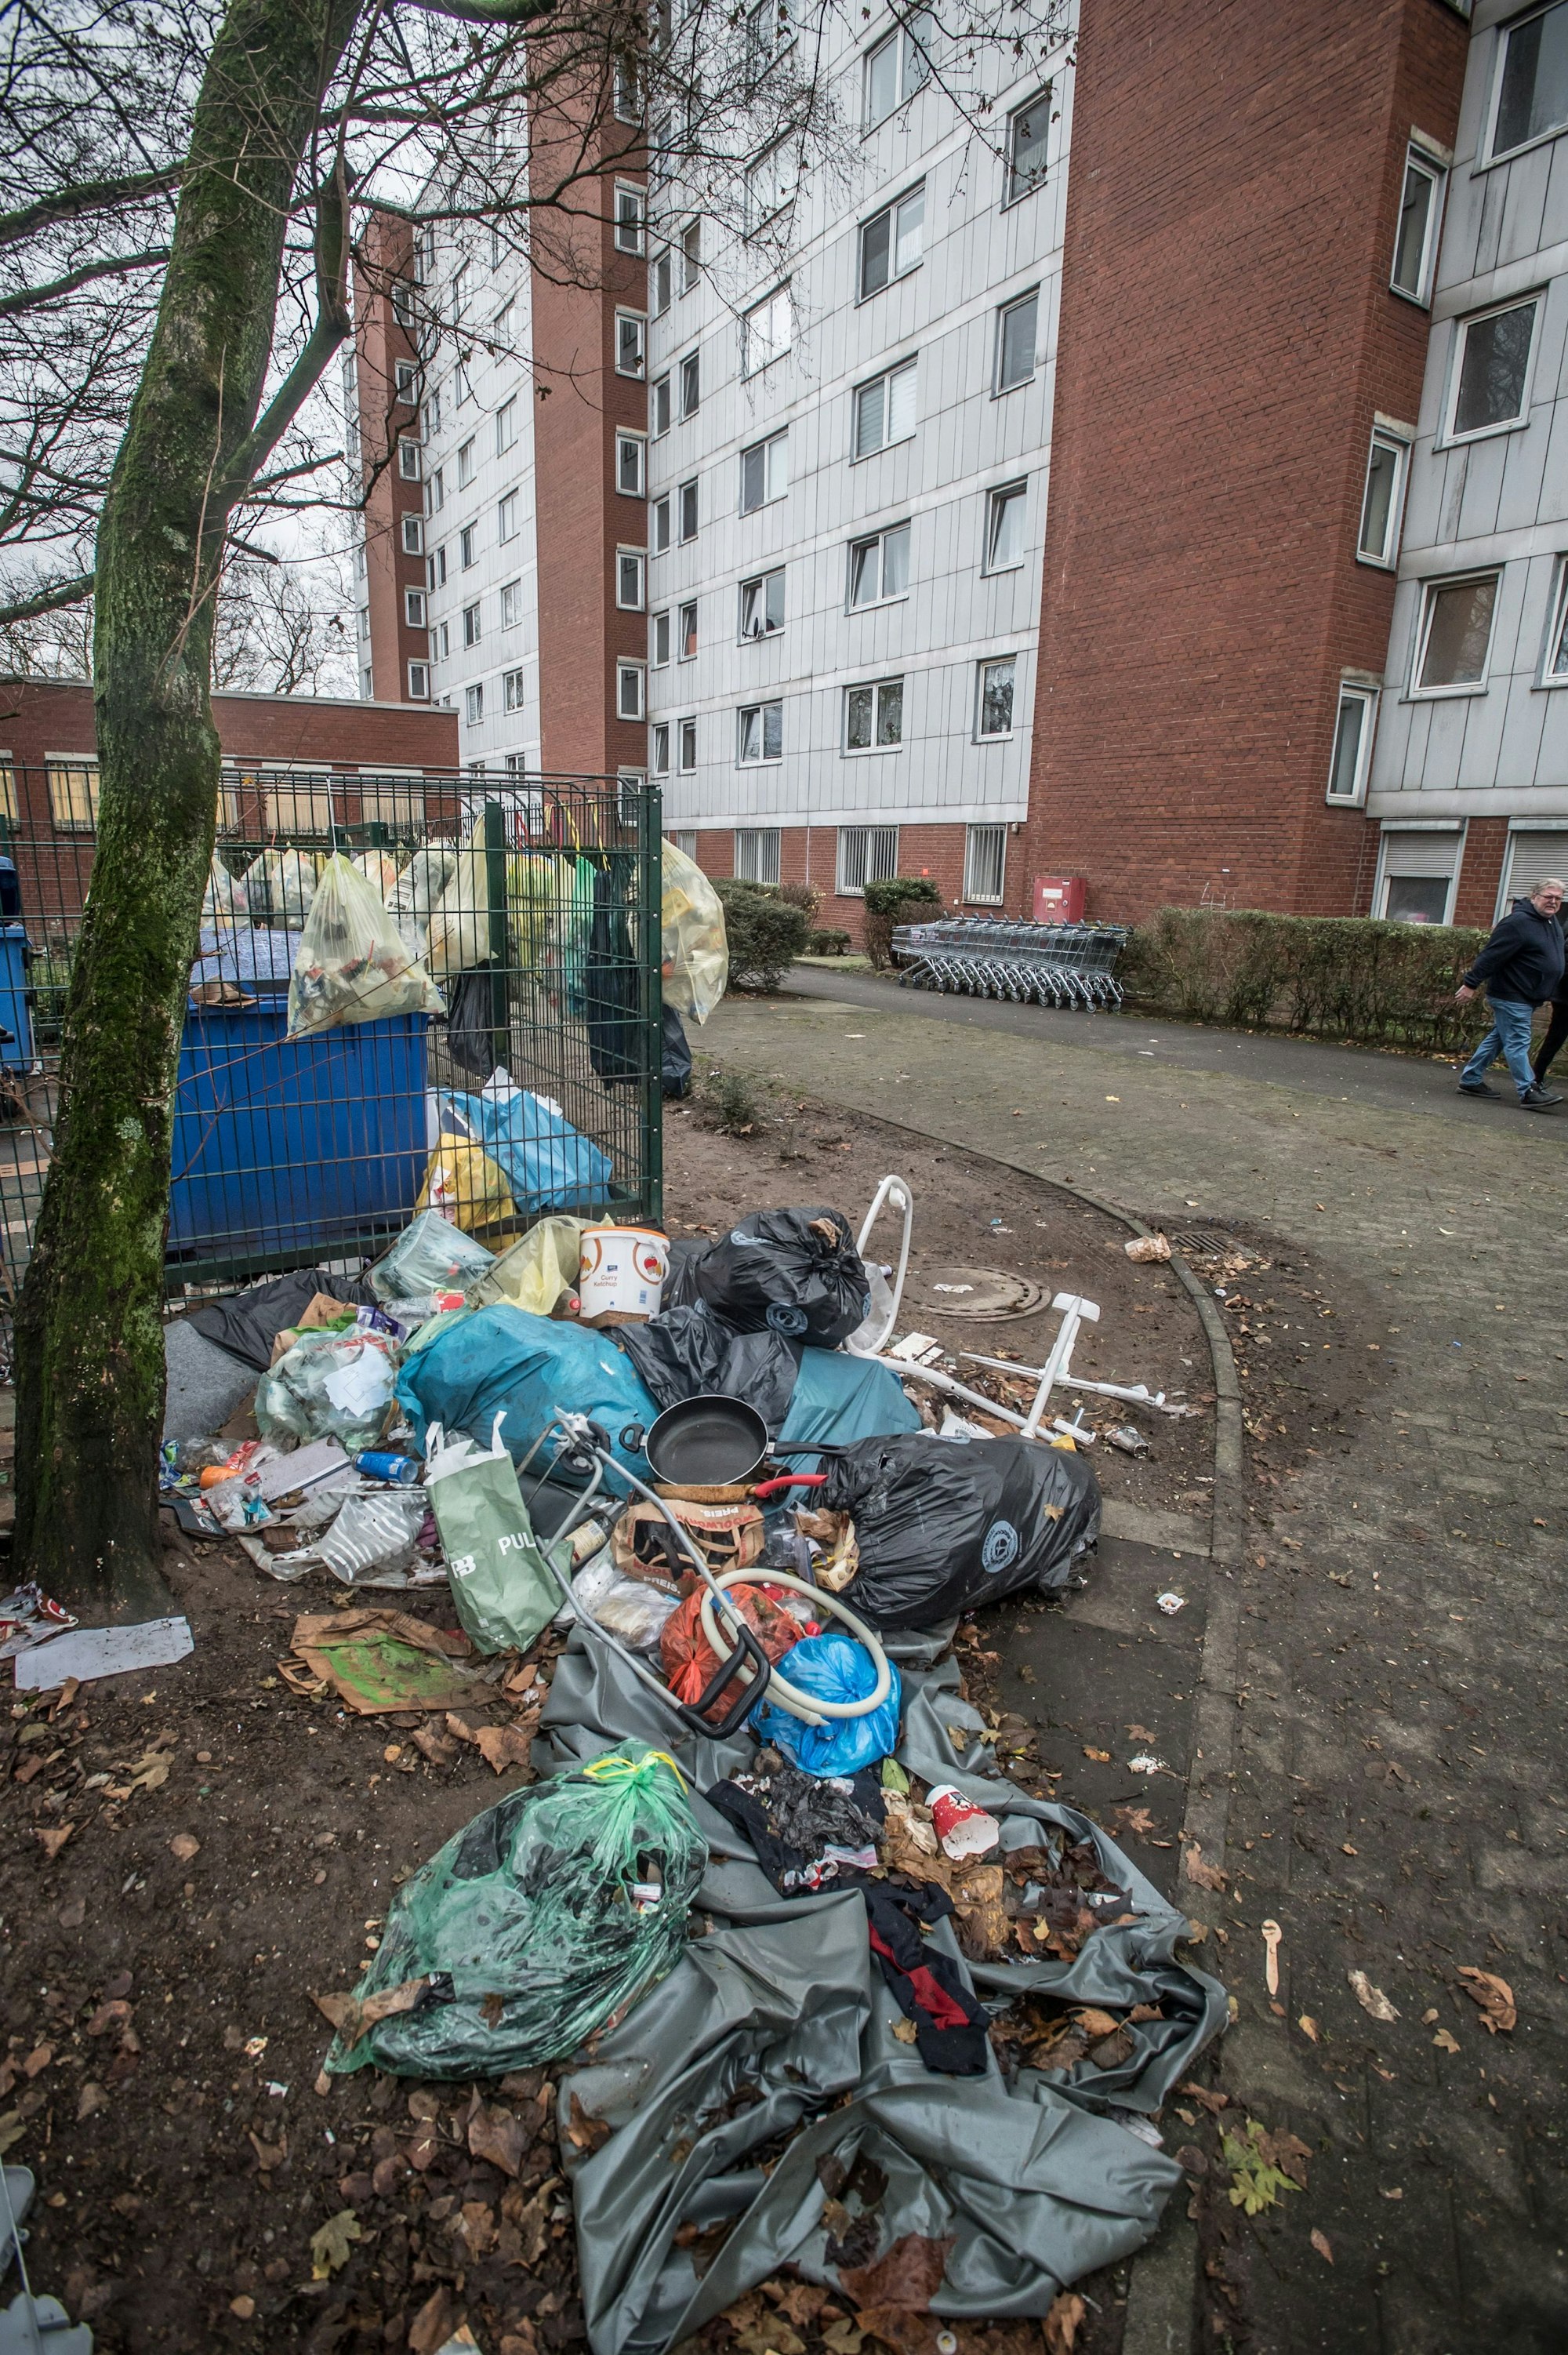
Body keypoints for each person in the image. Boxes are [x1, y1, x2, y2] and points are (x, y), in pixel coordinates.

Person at [1455, 876, 1566, 1111]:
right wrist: (1470, 984)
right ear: (1534, 896)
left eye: (1558, 898)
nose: (1553, 902)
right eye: (1549, 897)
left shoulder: (1550, 921)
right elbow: (1491, 955)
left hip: (1528, 995)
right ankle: (1528, 1091)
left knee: (1499, 1038)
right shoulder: (1518, 923)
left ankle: (1471, 1079)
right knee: (1518, 1041)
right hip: (1510, 993)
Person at [1530, 908, 1568, 1090]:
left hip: (1563, 993)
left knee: (1555, 1038)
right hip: (1565, 995)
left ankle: (1537, 1077)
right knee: (1555, 1038)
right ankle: (1536, 1078)